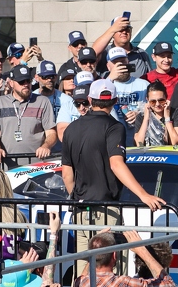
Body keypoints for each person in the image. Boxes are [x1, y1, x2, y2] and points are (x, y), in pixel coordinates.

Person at [62, 79, 164, 272]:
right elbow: (116, 164)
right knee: (110, 271)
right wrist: (144, 195)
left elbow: (67, 175)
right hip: (106, 210)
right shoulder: (115, 127)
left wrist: (77, 199)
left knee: (84, 272)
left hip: (80, 210)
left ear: (90, 100)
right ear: (115, 100)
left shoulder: (71, 129)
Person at [0, 66, 57, 168]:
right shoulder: (0, 102)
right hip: (8, 165)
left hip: (36, 165)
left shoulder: (42, 101)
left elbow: (51, 133)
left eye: (28, 81)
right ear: (11, 83)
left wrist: (46, 146)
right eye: (21, 82)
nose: (26, 85)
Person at [106, 47, 149, 147]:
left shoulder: (144, 85)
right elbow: (96, 107)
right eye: (116, 63)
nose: (121, 66)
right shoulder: (103, 86)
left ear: (128, 62)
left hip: (138, 142)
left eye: (122, 61)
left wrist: (139, 114)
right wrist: (110, 79)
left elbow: (154, 109)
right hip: (113, 142)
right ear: (108, 66)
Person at [93, 15, 151, 79]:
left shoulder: (141, 53)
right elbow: (93, 53)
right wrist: (112, 29)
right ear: (113, 34)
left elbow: (149, 76)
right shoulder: (105, 52)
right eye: (120, 30)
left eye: (127, 29)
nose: (124, 32)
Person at [135, 81, 178, 146]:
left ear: (166, 98)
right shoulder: (141, 116)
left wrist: (167, 118)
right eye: (153, 101)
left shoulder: (176, 113)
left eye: (161, 100)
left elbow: (174, 142)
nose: (157, 104)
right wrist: (146, 119)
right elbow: (139, 143)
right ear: (147, 100)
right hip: (149, 154)